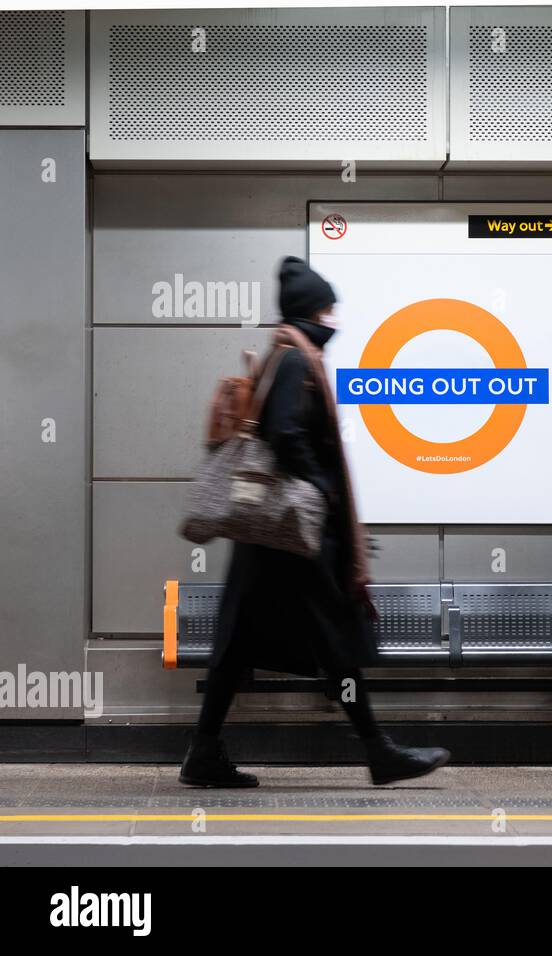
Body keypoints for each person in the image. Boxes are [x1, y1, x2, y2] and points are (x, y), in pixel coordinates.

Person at [179, 257, 451, 788]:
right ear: (312, 310)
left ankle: (204, 752)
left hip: (270, 534)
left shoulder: (285, 353)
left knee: (238, 647)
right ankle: (378, 751)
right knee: (335, 642)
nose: (334, 318)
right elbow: (284, 433)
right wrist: (324, 491)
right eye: (328, 307)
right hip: (293, 532)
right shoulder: (296, 359)